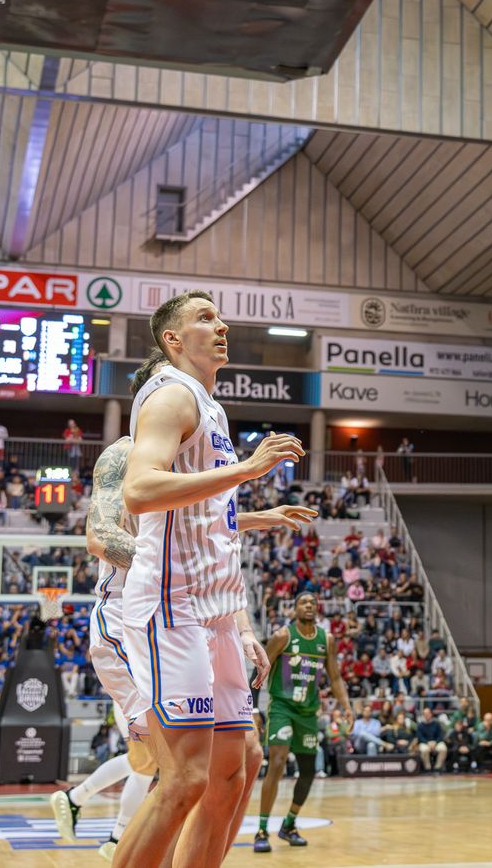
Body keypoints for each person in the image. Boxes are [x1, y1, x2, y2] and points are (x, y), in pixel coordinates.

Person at [115, 291, 305, 868]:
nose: (221, 325)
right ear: (173, 340)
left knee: (240, 761)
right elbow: (139, 490)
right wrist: (247, 469)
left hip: (213, 611)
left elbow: (207, 518)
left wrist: (239, 617)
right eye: (204, 318)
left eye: (219, 316)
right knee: (186, 779)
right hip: (172, 606)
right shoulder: (172, 395)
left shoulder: (212, 407)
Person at [53, 431, 156, 862]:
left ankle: (79, 802)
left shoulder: (188, 453)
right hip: (124, 619)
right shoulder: (127, 453)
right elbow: (101, 537)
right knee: (155, 755)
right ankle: (114, 836)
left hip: (158, 621)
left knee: (153, 758)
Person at [255, 592, 352, 853]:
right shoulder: (282, 637)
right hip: (282, 707)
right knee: (277, 762)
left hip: (308, 712)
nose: (309, 606)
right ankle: (262, 829)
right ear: (295, 608)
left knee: (308, 771)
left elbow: (335, 678)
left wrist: (346, 707)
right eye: (303, 603)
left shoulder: (326, 640)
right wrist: (252, 708)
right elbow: (259, 669)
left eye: (313, 603)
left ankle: (288, 824)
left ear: (317, 609)